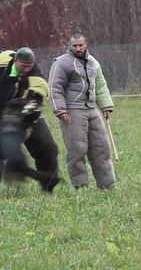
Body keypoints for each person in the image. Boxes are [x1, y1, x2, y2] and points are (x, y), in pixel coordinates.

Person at [0, 47, 60, 199]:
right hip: (0, 114)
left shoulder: (36, 78)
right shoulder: (2, 59)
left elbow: (37, 99)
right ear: (15, 61)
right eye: (23, 66)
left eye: (30, 66)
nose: (27, 69)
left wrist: (27, 125)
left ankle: (48, 189)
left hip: (28, 115)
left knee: (48, 148)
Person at [48, 33, 116, 189]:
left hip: (92, 109)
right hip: (72, 111)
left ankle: (107, 185)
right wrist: (60, 109)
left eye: (80, 45)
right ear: (70, 46)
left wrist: (106, 106)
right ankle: (81, 186)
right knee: (77, 149)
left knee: (102, 148)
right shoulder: (62, 63)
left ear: (86, 44)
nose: (78, 48)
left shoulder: (93, 62)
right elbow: (55, 87)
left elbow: (100, 84)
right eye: (75, 46)